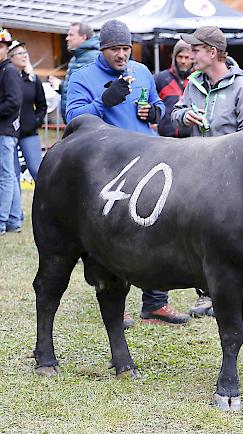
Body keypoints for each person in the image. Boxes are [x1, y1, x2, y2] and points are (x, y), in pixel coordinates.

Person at [66, 19, 189, 326]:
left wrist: (155, 112)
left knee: (158, 230)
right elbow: (72, 119)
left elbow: (158, 105)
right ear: (102, 48)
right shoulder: (84, 76)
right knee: (113, 236)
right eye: (114, 50)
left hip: (146, 161)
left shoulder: (142, 71)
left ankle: (156, 303)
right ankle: (114, 304)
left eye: (125, 48)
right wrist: (104, 101)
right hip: (107, 167)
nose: (121, 55)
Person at [171, 26, 243, 317]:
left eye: (195, 50)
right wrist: (185, 115)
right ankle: (205, 293)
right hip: (197, 175)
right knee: (199, 236)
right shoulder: (192, 83)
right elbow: (176, 113)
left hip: (232, 178)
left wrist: (222, 148)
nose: (189, 56)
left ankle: (240, 293)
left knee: (232, 238)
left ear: (212, 52)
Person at [8, 41, 46, 187]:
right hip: (8, 132)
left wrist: (36, 121)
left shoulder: (32, 79)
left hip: (29, 133)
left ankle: (45, 206)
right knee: (12, 175)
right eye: (20, 53)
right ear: (10, 57)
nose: (24, 56)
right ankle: (15, 210)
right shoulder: (5, 77)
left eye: (25, 52)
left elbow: (42, 105)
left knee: (37, 170)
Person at [49, 22, 99, 122]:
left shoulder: (95, 58)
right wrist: (60, 85)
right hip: (74, 119)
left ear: (84, 37)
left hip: (85, 121)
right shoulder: (75, 58)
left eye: (71, 35)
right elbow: (75, 88)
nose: (67, 38)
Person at [0, 28, 23, 237]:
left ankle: (1, 221)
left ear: (6, 49)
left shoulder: (9, 72)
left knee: (5, 176)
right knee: (10, 176)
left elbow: (14, 103)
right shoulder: (5, 71)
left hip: (5, 131)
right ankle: (14, 219)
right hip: (6, 131)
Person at [154, 39, 193, 138]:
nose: (183, 61)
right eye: (180, 57)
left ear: (192, 58)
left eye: (187, 57)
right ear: (174, 57)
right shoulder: (160, 78)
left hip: (192, 139)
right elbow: (149, 100)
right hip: (165, 138)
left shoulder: (198, 80)